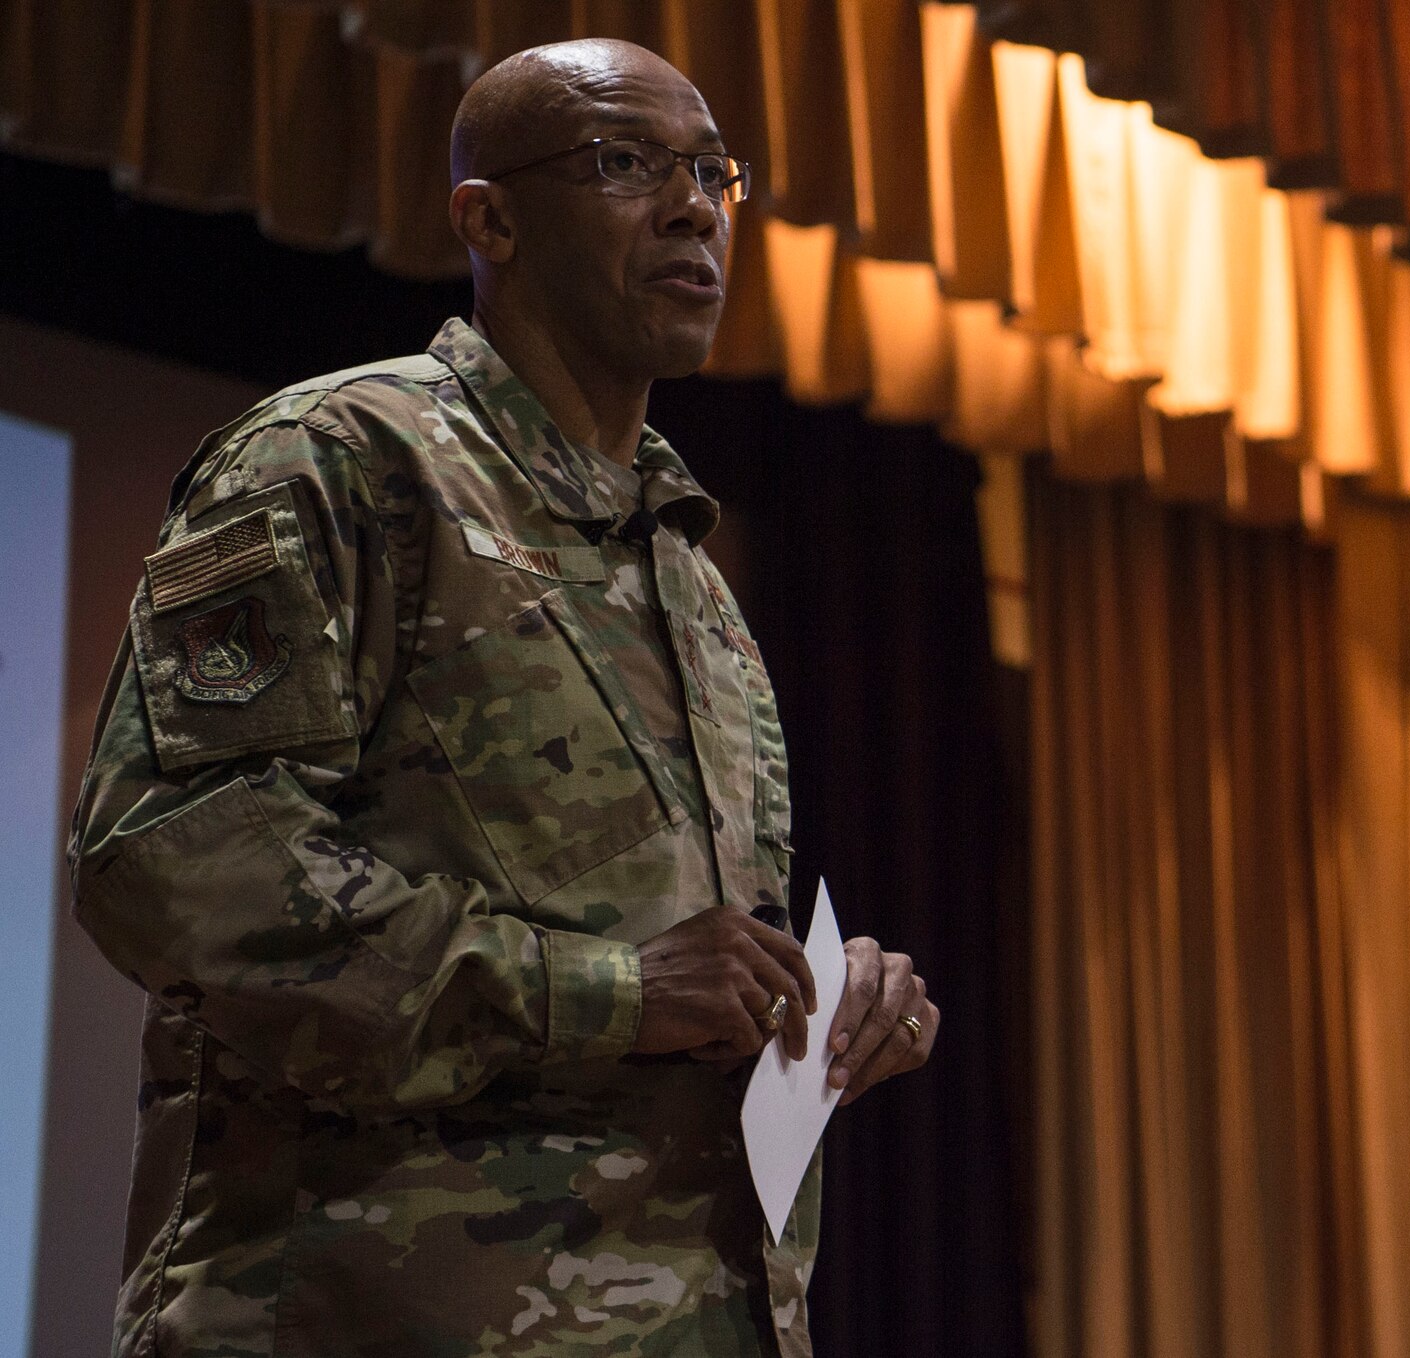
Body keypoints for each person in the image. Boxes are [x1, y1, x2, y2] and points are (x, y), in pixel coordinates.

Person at [68, 37, 938, 1358]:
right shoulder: (342, 462)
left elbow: (699, 995)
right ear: (492, 218)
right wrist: (606, 989)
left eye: (715, 172)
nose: (695, 206)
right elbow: (174, 863)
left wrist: (816, 1015)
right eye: (624, 162)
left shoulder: (698, 590)